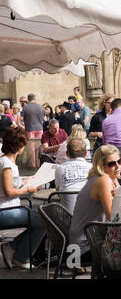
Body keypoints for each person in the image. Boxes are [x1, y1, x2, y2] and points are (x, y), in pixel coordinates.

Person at [0, 127, 46, 270]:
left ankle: (12, 248)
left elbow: (11, 183)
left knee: (40, 218)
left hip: (8, 208)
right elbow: (8, 191)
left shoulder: (5, 161)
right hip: (5, 210)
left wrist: (26, 180)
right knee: (44, 220)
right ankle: (21, 256)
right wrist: (28, 189)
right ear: (19, 146)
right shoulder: (7, 165)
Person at [69, 145, 121, 263]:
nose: (117, 166)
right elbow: (113, 217)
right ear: (101, 166)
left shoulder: (110, 178)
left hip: (85, 243)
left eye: (119, 161)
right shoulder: (104, 180)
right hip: (85, 248)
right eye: (112, 164)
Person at [54, 138, 92, 213]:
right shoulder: (93, 168)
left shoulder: (60, 169)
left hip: (67, 218)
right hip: (90, 219)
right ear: (86, 153)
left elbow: (58, 192)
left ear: (67, 154)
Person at [22, 93, 45, 167]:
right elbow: (44, 119)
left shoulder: (25, 107)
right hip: (40, 129)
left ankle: (32, 165)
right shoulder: (41, 107)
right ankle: (38, 164)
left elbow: (21, 119)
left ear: (28, 99)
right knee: (38, 147)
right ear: (35, 99)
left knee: (31, 148)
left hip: (29, 129)